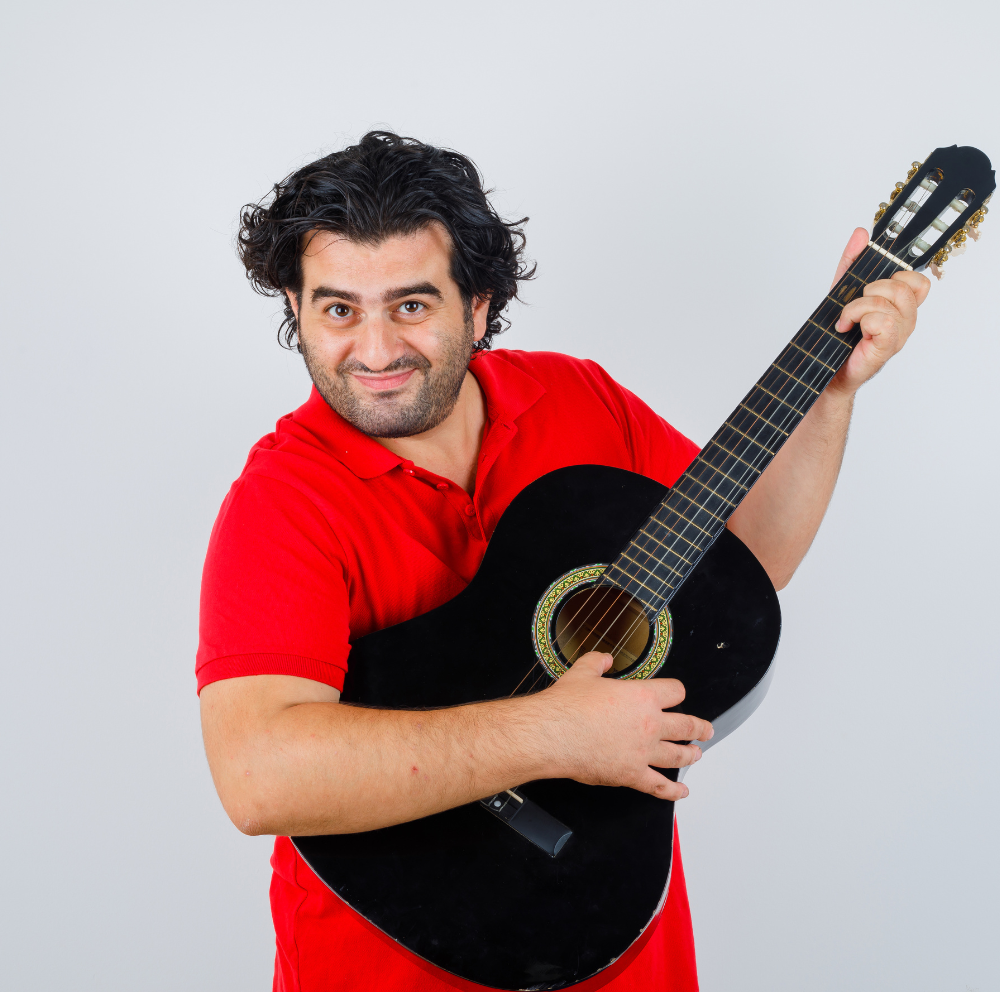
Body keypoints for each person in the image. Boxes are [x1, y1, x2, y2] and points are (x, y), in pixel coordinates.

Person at [197, 131, 927, 991]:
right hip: (385, 965)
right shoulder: (282, 501)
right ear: (296, 307)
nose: (377, 350)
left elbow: (745, 566)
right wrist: (551, 734)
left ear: (478, 306)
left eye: (411, 305)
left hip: (618, 938)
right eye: (338, 310)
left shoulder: (575, 398)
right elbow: (258, 778)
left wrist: (830, 392)